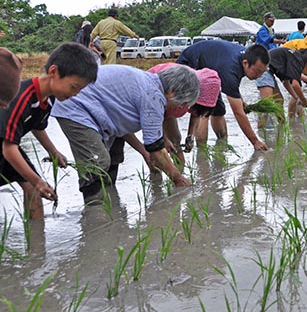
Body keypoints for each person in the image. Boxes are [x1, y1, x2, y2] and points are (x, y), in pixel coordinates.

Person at [52, 64, 199, 202]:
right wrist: (177, 178)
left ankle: (108, 204)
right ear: (173, 92)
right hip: (76, 108)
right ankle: (94, 212)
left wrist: (147, 150)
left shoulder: (147, 82)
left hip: (86, 109)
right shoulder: (153, 96)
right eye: (182, 102)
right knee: (98, 162)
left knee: (104, 160)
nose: (179, 106)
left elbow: (123, 129)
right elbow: (155, 148)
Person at [1, 43, 98, 218]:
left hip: (6, 144)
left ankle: (37, 243)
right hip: (5, 146)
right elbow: (9, 148)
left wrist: (53, 151)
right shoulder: (21, 98)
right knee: (34, 185)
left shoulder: (49, 99)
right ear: (54, 72)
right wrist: (38, 181)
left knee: (32, 189)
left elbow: (37, 126)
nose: (75, 94)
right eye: (73, 87)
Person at [177, 40, 270, 151]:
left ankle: (221, 144)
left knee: (219, 110)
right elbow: (238, 113)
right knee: (204, 111)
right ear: (245, 63)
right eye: (256, 71)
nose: (259, 76)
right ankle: (202, 154)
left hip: (210, 67)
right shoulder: (231, 69)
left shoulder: (247, 57)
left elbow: (233, 88)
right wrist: (255, 141)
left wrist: (241, 100)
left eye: (262, 72)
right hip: (190, 66)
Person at [146, 63, 221, 166]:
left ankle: (178, 172)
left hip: (168, 107)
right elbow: (154, 120)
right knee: (157, 146)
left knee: (175, 140)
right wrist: (164, 139)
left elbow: (196, 114)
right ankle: (156, 175)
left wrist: (190, 136)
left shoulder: (194, 96)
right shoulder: (179, 88)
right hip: (153, 104)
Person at [261, 46, 307, 119]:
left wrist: (296, 97)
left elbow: (286, 82)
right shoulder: (298, 59)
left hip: (268, 69)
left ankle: (282, 126)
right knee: (266, 106)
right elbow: (295, 85)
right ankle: (260, 128)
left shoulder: (295, 57)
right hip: (263, 68)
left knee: (279, 101)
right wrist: (304, 101)